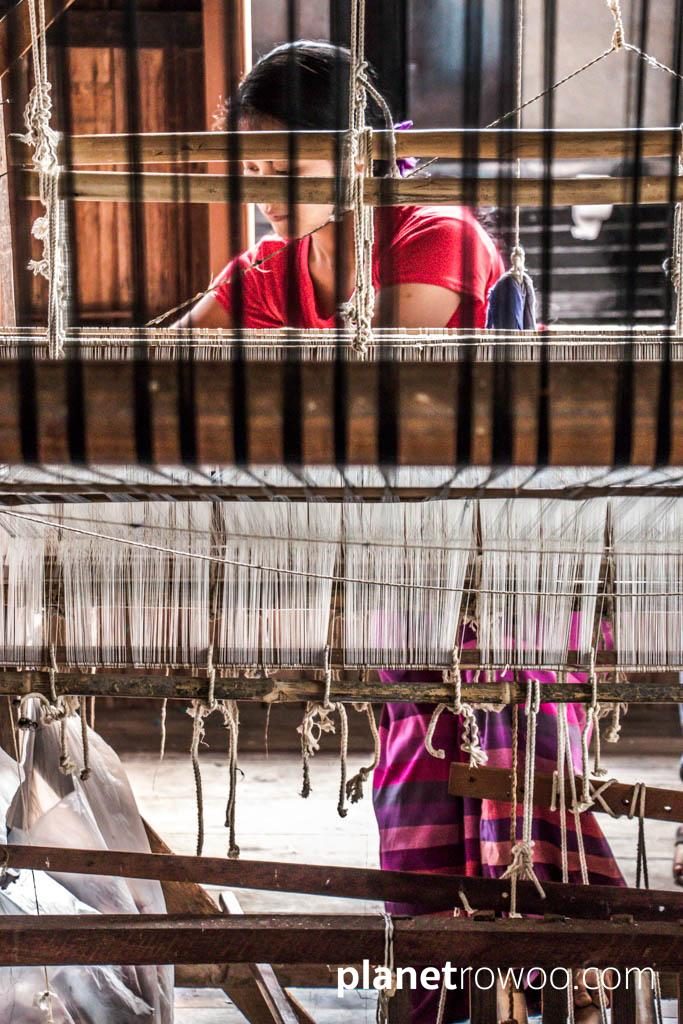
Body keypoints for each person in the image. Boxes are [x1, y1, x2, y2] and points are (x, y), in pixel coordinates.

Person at [178, 39, 624, 1024]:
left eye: (280, 161)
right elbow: (158, 370)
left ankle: (556, 974)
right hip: (404, 566)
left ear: (356, 151)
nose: (259, 185)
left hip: (511, 560)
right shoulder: (268, 268)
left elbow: (397, 392)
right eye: (247, 165)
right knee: (417, 771)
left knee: (515, 754)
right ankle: (436, 974)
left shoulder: (436, 234)